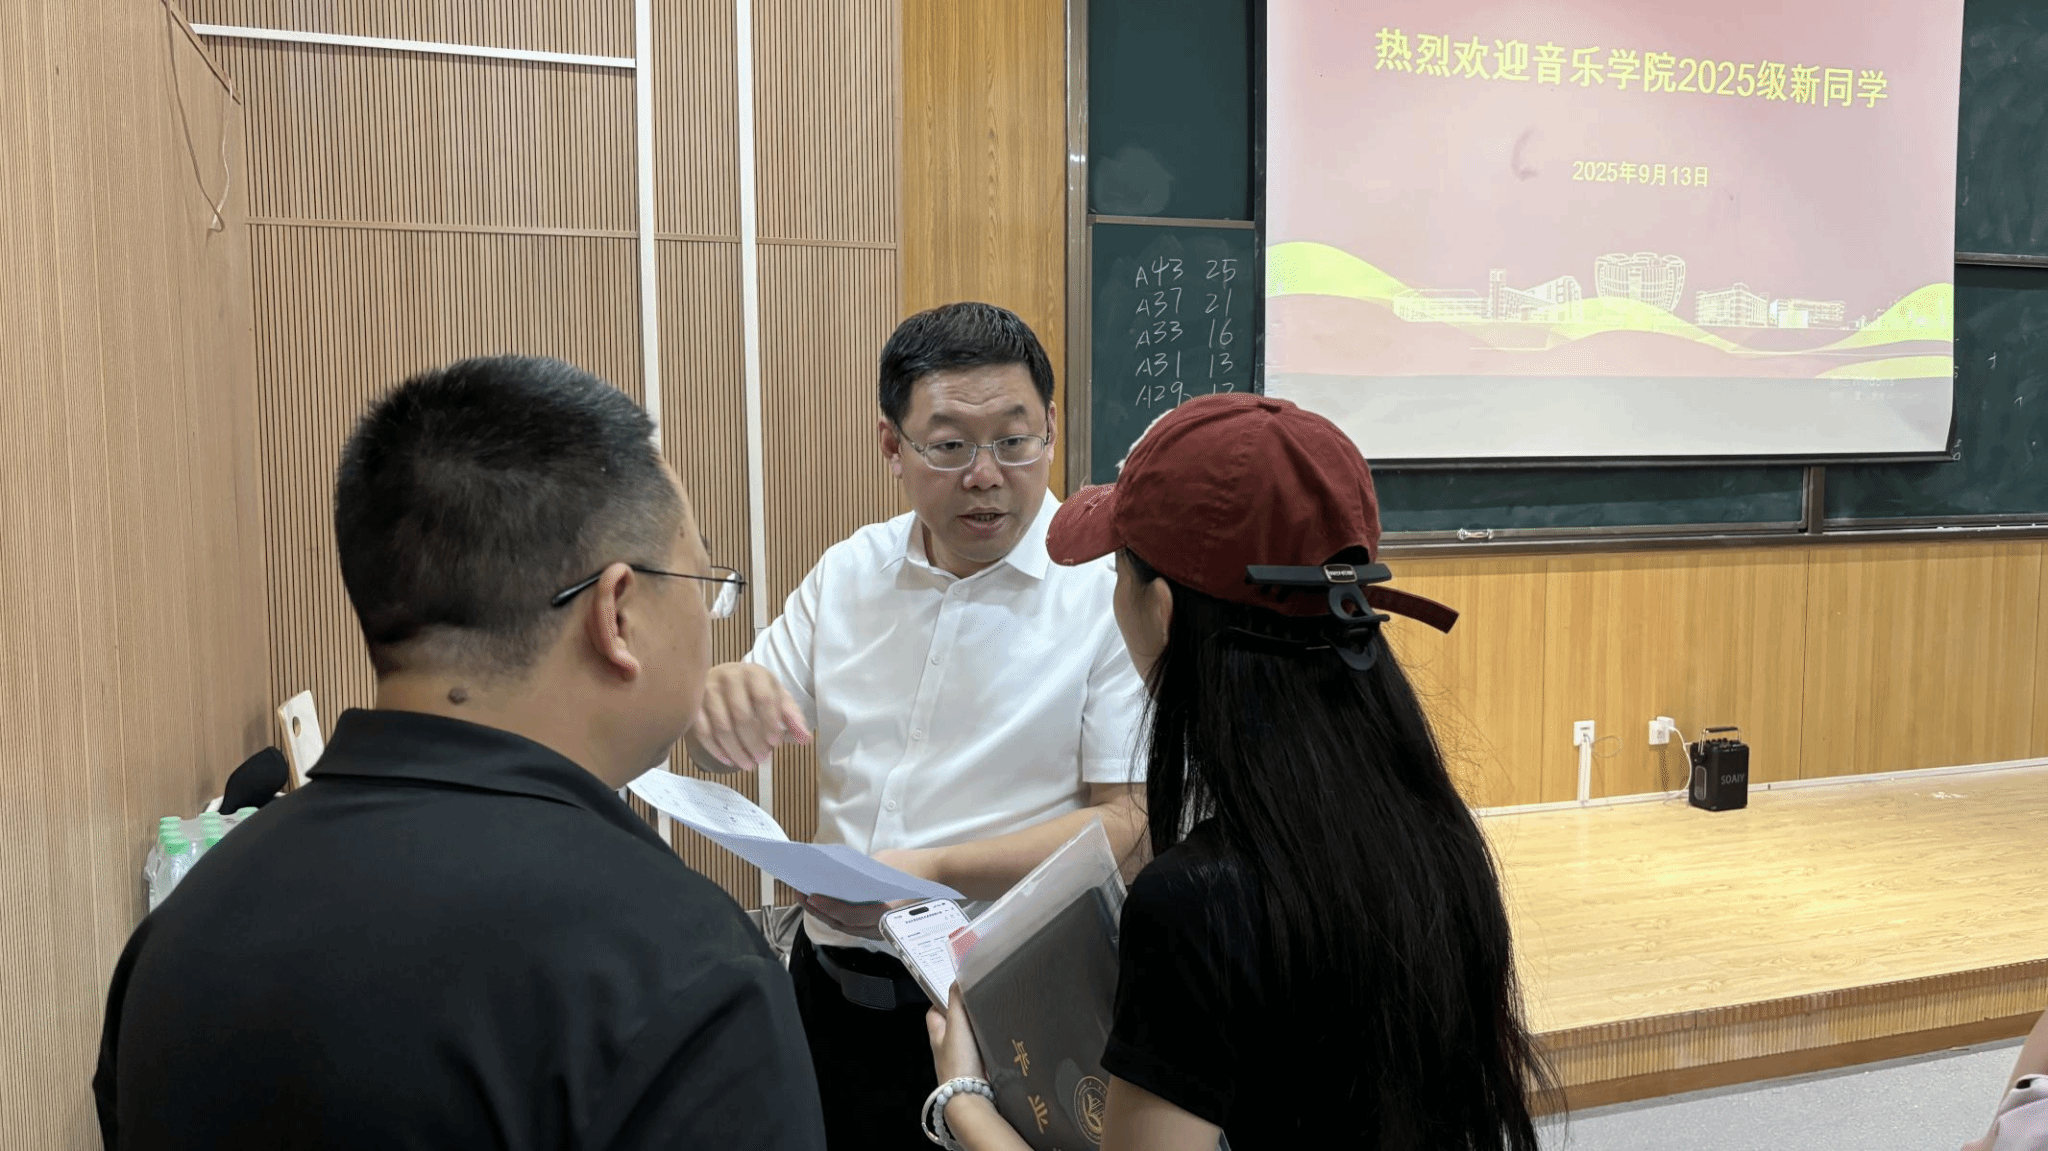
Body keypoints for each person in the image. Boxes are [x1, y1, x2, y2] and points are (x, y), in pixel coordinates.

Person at [94, 356, 826, 1150]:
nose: (710, 618)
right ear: (616, 612)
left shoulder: (179, 930)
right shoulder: (685, 968)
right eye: (701, 580)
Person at [923, 393, 1554, 1150]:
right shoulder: (1436, 836)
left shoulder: (1196, 901)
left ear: (1161, 611)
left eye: (1120, 572)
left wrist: (964, 1101)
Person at [686, 303, 1148, 1147]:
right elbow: (725, 743)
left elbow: (1129, 823)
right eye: (949, 446)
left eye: (1015, 440)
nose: (986, 475)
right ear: (891, 446)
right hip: (830, 987)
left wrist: (932, 869)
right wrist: (715, 700)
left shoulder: (1101, 591)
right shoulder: (850, 571)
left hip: (1000, 1009)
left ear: (1052, 427)